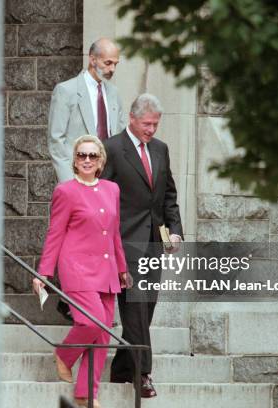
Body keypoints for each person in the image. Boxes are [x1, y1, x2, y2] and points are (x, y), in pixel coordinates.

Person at [33, 135, 129, 408]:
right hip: (76, 268)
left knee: (102, 335)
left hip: (107, 269)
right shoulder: (65, 191)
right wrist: (44, 273)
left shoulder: (112, 189)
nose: (87, 160)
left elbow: (114, 233)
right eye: (81, 156)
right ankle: (64, 354)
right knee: (91, 321)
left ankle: (87, 393)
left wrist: (122, 268)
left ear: (100, 161)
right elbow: (55, 233)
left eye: (92, 156)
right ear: (74, 161)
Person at [101, 94, 184, 398]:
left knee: (146, 308)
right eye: (147, 123)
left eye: (155, 124)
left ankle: (122, 367)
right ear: (132, 119)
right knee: (135, 307)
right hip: (124, 245)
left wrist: (174, 232)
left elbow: (168, 196)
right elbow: (102, 198)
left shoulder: (161, 150)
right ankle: (143, 373)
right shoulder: (111, 148)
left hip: (154, 243)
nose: (151, 129)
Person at [48, 38, 126, 320]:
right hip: (77, 182)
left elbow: (116, 140)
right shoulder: (67, 91)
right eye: (108, 62)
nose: (112, 68)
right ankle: (71, 298)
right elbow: (56, 141)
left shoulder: (114, 94)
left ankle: (91, 300)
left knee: (101, 239)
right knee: (75, 240)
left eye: (116, 63)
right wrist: (73, 183)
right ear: (92, 59)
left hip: (104, 184)